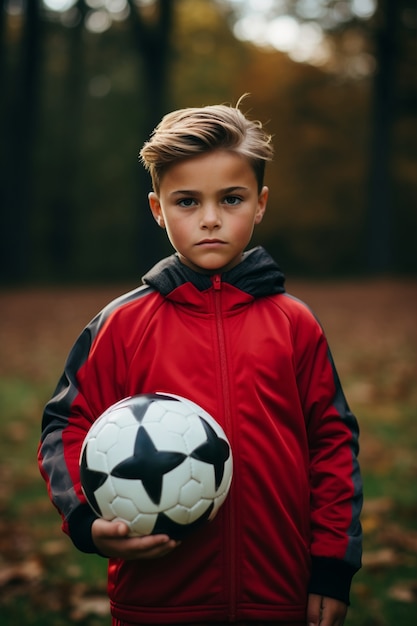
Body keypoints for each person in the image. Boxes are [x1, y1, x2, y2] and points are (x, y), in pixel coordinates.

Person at [38, 98, 362, 626]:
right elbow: (64, 427)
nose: (210, 219)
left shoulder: (294, 324)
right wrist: (83, 519)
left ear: (260, 204)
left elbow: (332, 445)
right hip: (157, 602)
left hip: (279, 596)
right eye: (187, 202)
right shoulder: (120, 326)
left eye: (230, 199)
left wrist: (330, 567)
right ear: (157, 209)